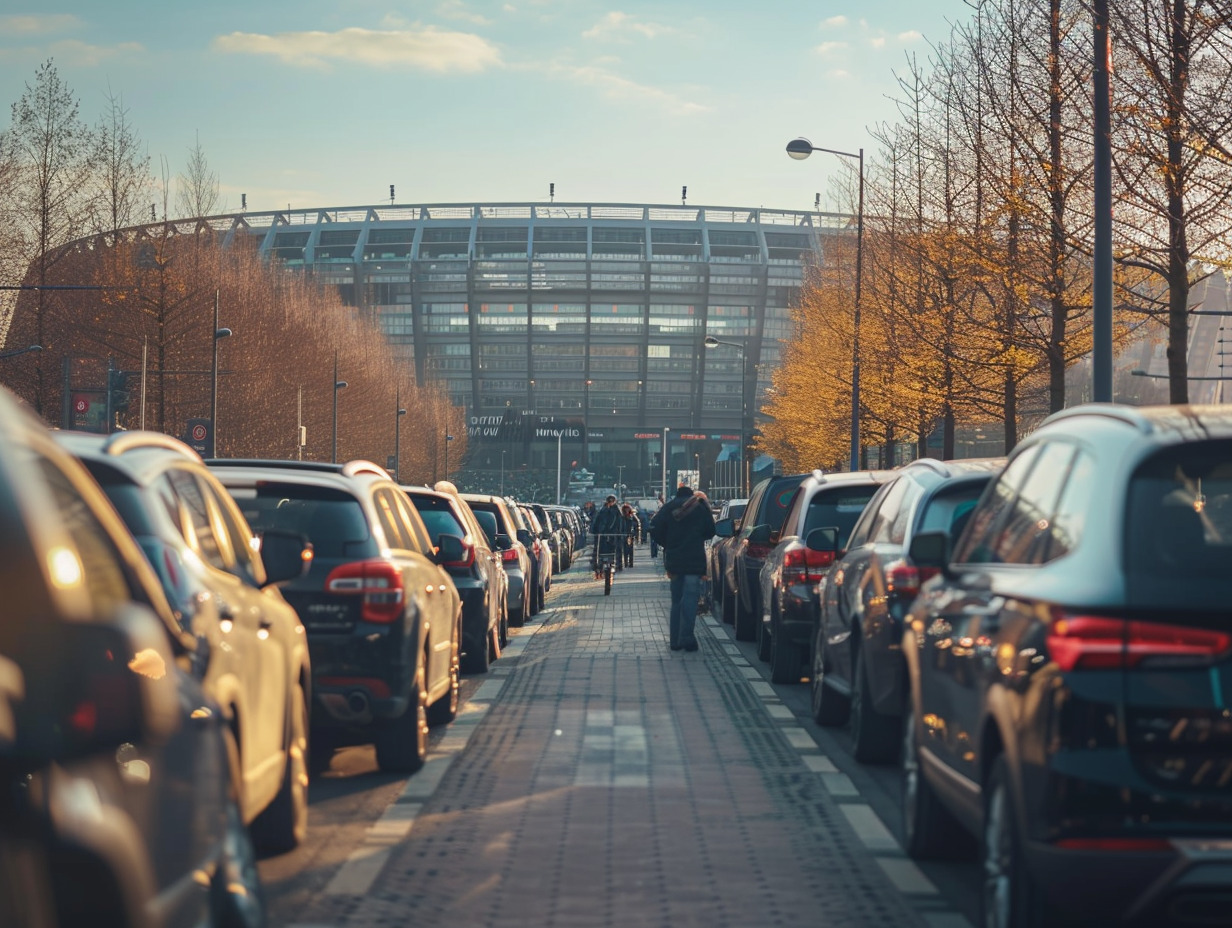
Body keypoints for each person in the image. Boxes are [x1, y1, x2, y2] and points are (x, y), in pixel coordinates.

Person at [650, 485, 715, 652]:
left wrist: (668, 544)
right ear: (691, 494)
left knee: (676, 600)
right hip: (694, 559)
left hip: (675, 560)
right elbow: (711, 531)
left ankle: (674, 641)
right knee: (691, 599)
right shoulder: (700, 508)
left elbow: (654, 527)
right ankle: (687, 637)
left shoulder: (668, 507)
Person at [591, 495, 623, 578]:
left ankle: (617, 566)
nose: (610, 503)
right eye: (609, 501)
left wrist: (619, 532)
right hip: (603, 534)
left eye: (612, 501)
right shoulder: (603, 510)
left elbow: (620, 522)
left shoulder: (617, 511)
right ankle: (599, 568)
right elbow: (598, 521)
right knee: (599, 550)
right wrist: (595, 531)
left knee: (615, 549)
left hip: (613, 534)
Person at [620, 503, 639, 567]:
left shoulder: (632, 516)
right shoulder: (622, 517)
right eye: (625, 509)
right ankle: (625, 563)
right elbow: (620, 526)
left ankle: (631, 563)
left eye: (628, 509)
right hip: (624, 534)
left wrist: (636, 534)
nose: (627, 511)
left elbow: (637, 524)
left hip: (631, 535)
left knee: (630, 550)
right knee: (625, 550)